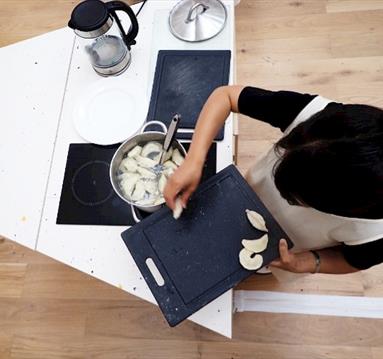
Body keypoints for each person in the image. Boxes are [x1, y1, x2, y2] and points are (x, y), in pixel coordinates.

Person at [163, 86, 383, 275]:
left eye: (298, 199)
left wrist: (306, 263)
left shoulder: (377, 233)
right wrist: (194, 159)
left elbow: (353, 261)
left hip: (287, 246)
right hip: (243, 195)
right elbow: (226, 96)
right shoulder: (319, 118)